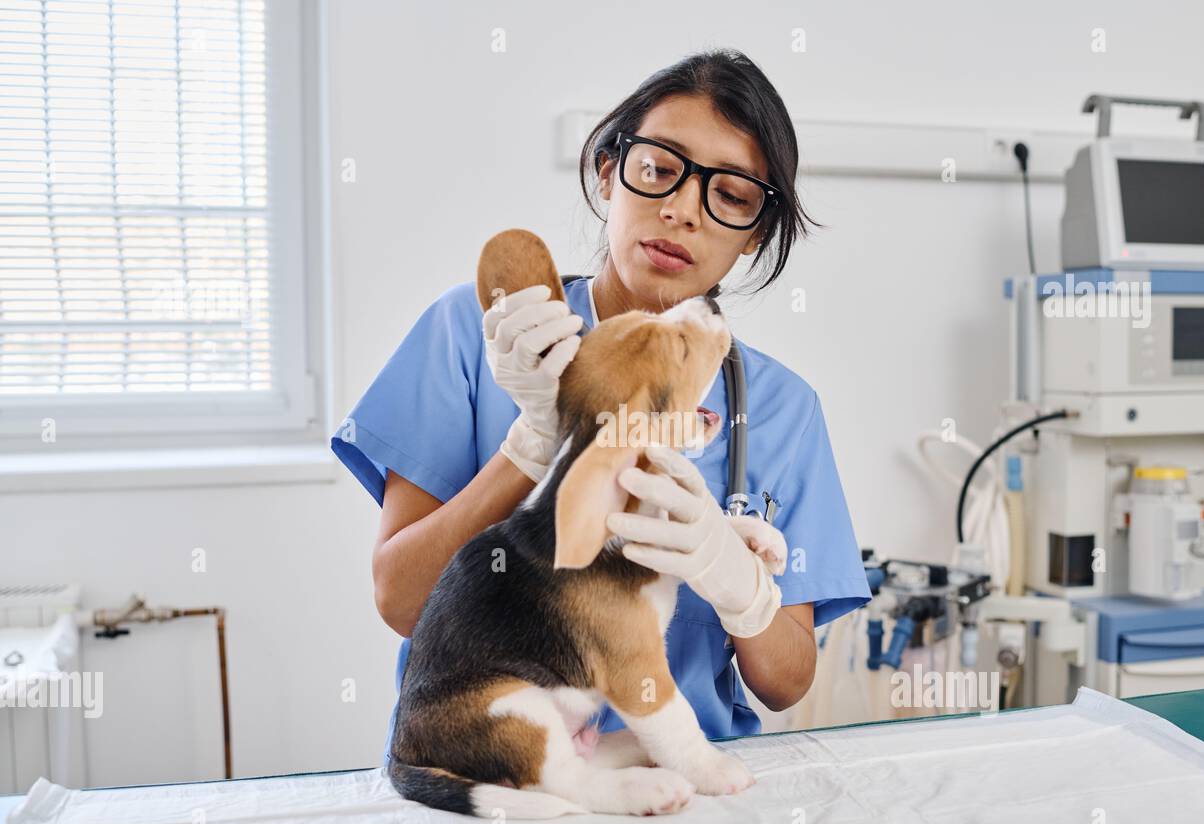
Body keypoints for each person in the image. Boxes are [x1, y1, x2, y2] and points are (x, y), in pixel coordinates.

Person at [331, 49, 871, 762]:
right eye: (658, 169)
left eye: (732, 195)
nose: (682, 211)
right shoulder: (481, 333)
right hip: (501, 779)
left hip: (685, 784)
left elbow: (784, 681)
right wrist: (536, 442)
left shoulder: (780, 408)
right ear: (609, 170)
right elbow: (402, 601)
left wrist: (737, 582)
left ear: (756, 234)